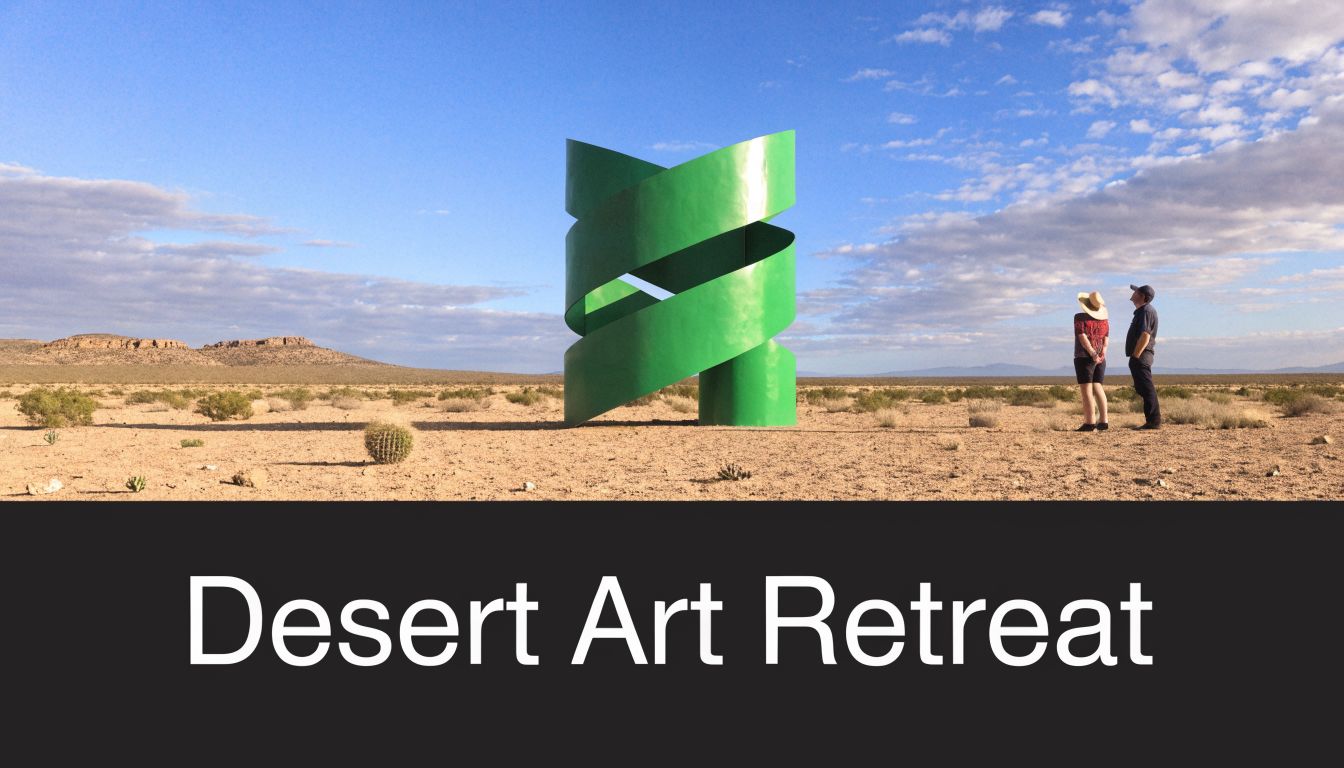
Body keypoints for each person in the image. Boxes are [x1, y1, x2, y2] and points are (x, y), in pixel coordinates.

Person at [1073, 291, 1110, 431]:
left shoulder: (1079, 318)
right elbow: (1106, 339)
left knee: (1086, 390)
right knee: (1098, 386)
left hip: (1084, 357)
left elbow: (1082, 336)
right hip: (1101, 357)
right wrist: (1101, 353)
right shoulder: (1104, 321)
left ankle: (1089, 422)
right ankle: (1104, 421)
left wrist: (1092, 353)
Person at [1126, 283, 1160, 429]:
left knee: (1146, 388)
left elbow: (1145, 335)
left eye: (1136, 292)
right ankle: (1152, 420)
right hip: (1141, 355)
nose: (1133, 293)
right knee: (1143, 388)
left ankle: (1153, 421)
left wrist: (1136, 355)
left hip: (1141, 355)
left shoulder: (1146, 311)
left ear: (1142, 296)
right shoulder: (1143, 311)